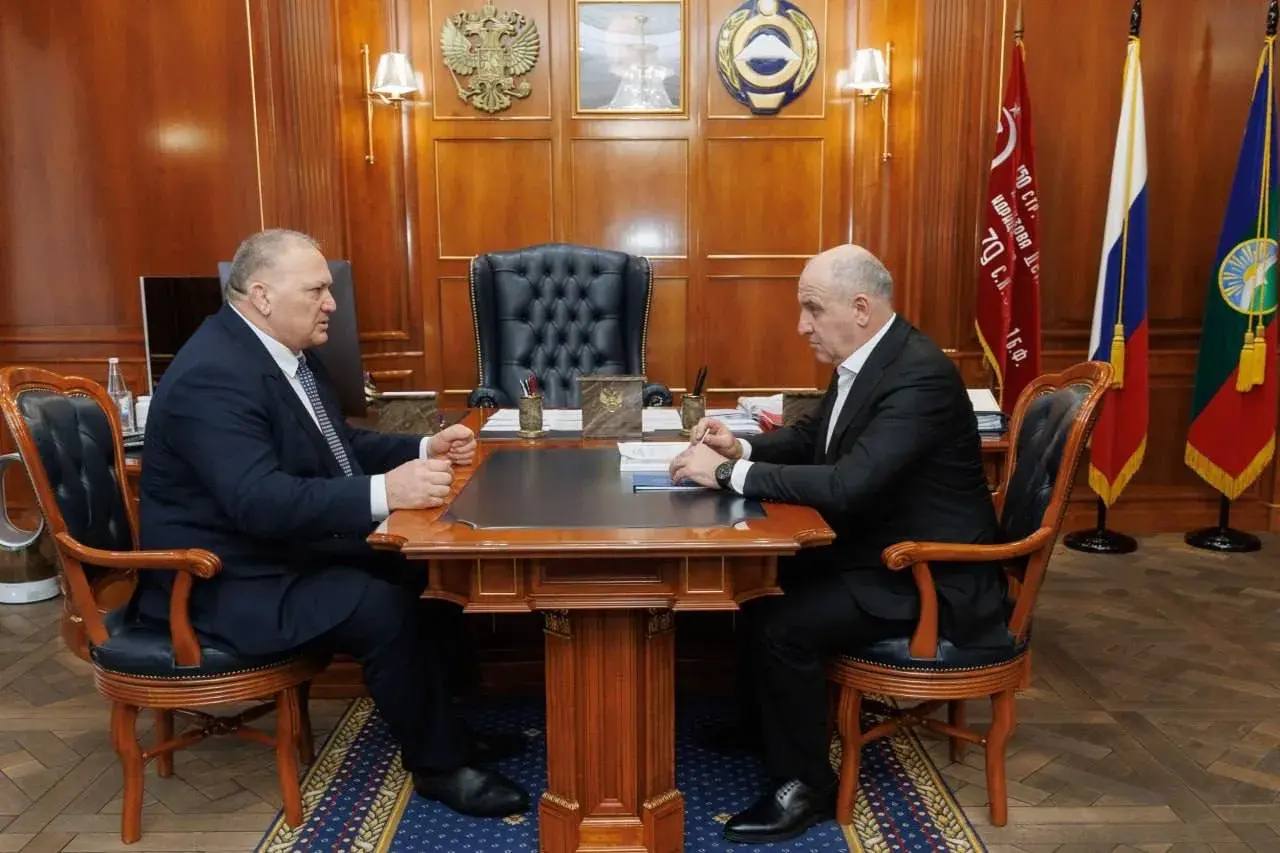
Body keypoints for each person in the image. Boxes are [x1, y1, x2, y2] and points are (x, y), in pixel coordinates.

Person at [136, 229, 528, 818]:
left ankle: (449, 732)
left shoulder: (284, 355)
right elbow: (258, 501)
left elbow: (338, 445)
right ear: (262, 296)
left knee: (429, 572)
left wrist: (424, 446)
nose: (332, 303)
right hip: (222, 579)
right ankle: (439, 767)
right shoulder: (212, 375)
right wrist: (387, 491)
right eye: (317, 290)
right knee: (380, 606)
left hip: (278, 551)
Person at [669, 244, 1006, 844]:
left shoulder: (919, 375)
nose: (802, 325)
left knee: (784, 624)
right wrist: (740, 448)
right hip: (877, 548)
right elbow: (815, 442)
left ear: (860, 308)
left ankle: (806, 787)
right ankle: (764, 727)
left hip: (929, 574)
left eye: (812, 309)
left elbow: (849, 484)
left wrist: (725, 475)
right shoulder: (872, 358)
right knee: (755, 584)